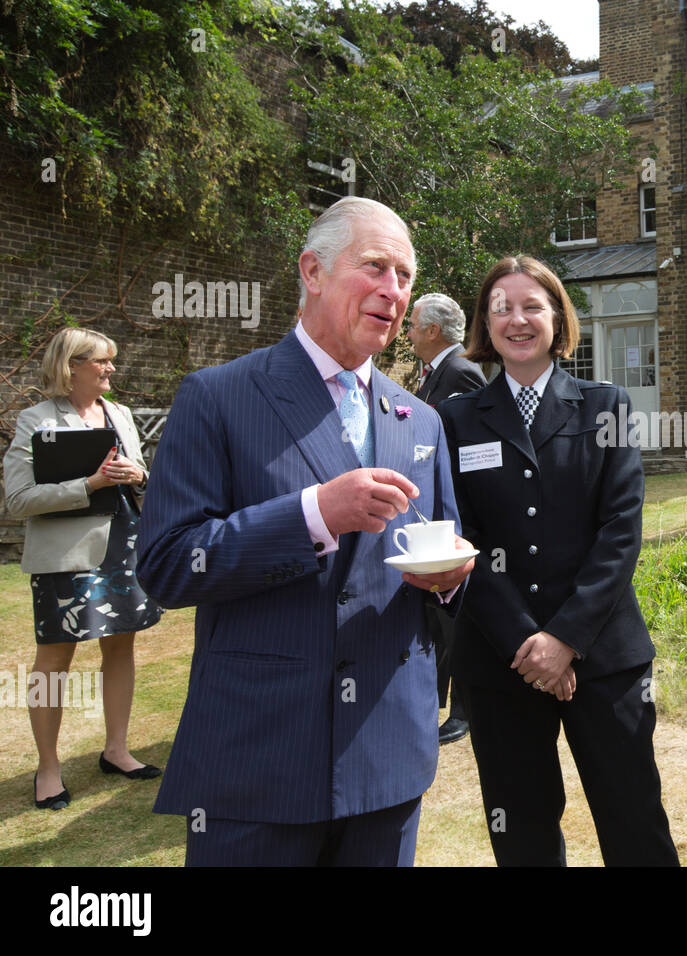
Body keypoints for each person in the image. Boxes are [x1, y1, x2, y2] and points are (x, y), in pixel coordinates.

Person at [136, 197, 474, 866]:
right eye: (375, 266)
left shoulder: (420, 420)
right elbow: (170, 564)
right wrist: (314, 514)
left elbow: (444, 552)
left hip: (388, 759)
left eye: (404, 276)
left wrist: (445, 585)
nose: (394, 291)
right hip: (260, 760)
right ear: (312, 271)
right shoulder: (218, 397)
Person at [438, 255, 678, 866]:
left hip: (603, 654)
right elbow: (462, 538)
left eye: (532, 307)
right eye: (501, 309)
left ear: (558, 318)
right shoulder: (455, 420)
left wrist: (565, 639)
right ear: (484, 325)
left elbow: (620, 531)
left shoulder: (607, 406)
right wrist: (530, 643)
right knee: (521, 824)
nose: (517, 320)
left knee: (632, 816)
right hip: (501, 659)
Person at [3, 328, 164, 810]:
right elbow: (17, 500)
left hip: (123, 545)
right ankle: (48, 768)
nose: (111, 368)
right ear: (71, 365)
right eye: (102, 361)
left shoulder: (121, 414)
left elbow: (139, 471)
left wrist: (139, 474)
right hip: (65, 556)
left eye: (112, 360)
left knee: (121, 648)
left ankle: (117, 750)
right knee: (54, 659)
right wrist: (88, 483)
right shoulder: (34, 421)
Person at [407, 291, 486, 746]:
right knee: (437, 614)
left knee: (458, 618)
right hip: (433, 510)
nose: (410, 333)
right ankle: (435, 702)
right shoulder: (434, 375)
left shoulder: (462, 372)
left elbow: (476, 447)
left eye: (414, 325)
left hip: (460, 513)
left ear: (433, 331)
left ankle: (465, 711)